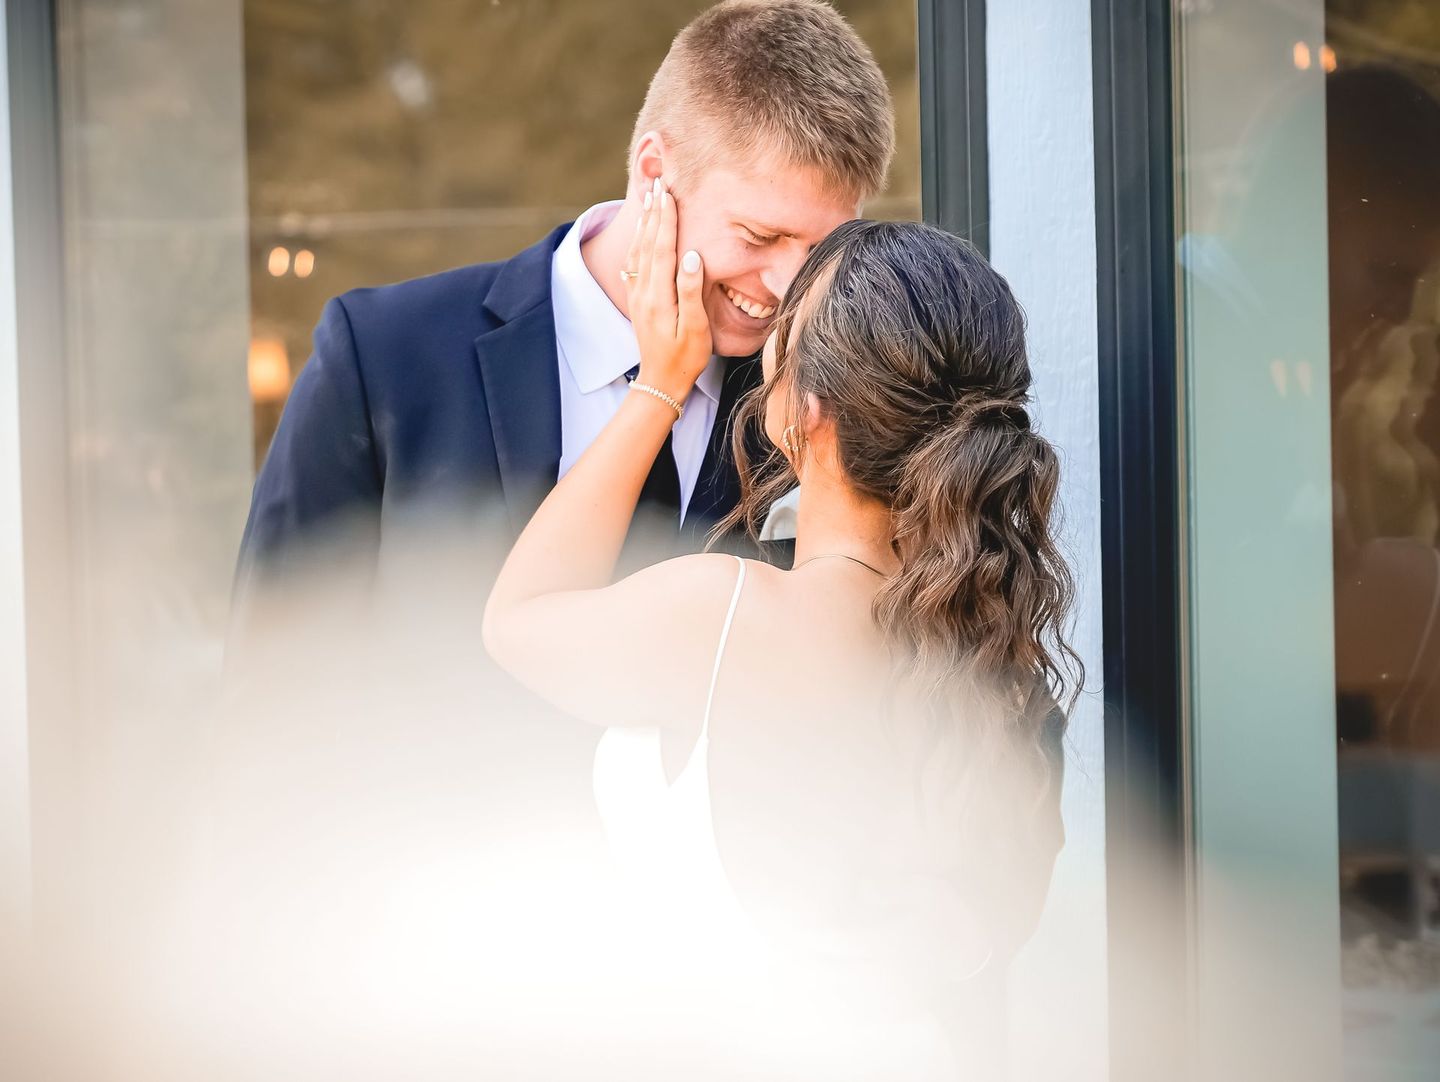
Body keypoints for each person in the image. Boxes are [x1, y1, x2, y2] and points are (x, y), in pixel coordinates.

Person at [483, 197, 1080, 1070]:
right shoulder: (1014, 685)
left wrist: (659, 384)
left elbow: (517, 621)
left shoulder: (724, 618)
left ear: (808, 413)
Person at [230, 0, 895, 635]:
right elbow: (275, 674)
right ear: (655, 172)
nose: (787, 286)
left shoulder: (817, 403)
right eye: (756, 236)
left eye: (818, 249)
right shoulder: (381, 355)